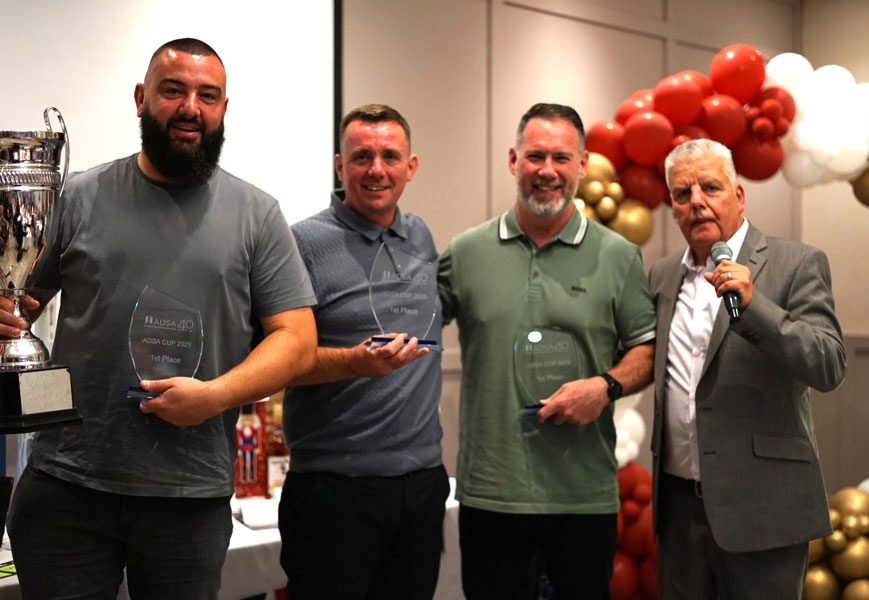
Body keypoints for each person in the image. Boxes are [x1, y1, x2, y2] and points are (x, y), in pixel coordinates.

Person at [0, 38, 318, 599]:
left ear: (223, 108)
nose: (190, 107)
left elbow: (297, 340)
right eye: (173, 90)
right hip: (66, 487)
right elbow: (23, 297)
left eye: (207, 95)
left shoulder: (258, 215)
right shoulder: (78, 196)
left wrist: (215, 396)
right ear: (141, 98)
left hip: (188, 500)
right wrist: (5, 314)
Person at [438, 103, 656, 599]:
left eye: (561, 158)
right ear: (513, 160)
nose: (547, 171)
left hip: (583, 496)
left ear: (583, 165)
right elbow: (414, 326)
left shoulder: (618, 256)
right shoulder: (465, 253)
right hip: (491, 493)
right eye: (535, 156)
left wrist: (605, 387)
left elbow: (647, 349)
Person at [648, 138, 847, 599]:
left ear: (738, 195)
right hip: (679, 509)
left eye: (710, 187)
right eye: (682, 194)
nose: (696, 202)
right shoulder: (662, 275)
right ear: (673, 209)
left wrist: (755, 307)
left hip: (765, 506)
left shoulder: (797, 262)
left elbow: (828, 364)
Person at [280, 104, 449, 600]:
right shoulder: (301, 243)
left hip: (423, 485)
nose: (377, 169)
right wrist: (353, 362)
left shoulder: (420, 236)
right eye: (361, 157)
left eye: (390, 156)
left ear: (410, 167)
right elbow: (273, 361)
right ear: (340, 166)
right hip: (334, 492)